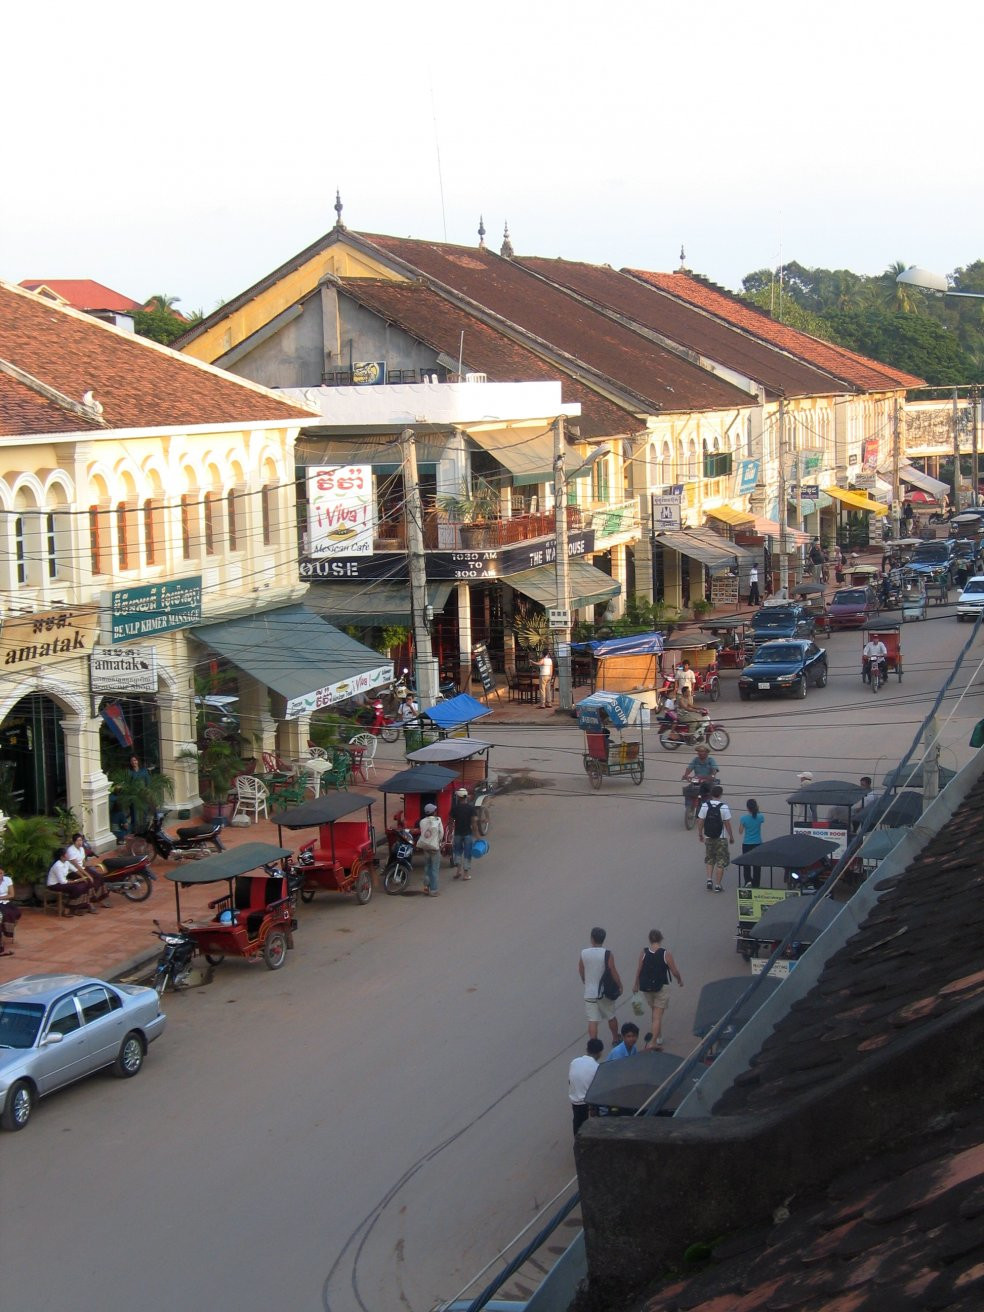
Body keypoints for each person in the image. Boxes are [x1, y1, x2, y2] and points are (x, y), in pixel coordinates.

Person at [633, 929, 683, 1049]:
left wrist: (636, 984)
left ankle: (658, 1036)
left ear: (650, 939)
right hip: (661, 987)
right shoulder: (665, 954)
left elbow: (639, 969)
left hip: (647, 988)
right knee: (657, 1016)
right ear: (661, 939)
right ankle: (653, 1042)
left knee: (654, 1012)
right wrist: (679, 980)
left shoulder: (644, 953)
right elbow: (674, 970)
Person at [579, 926, 622, 1045]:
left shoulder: (584, 953)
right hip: (604, 992)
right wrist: (619, 985)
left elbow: (581, 969)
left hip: (589, 992)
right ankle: (615, 1038)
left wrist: (584, 980)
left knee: (592, 1020)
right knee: (611, 1015)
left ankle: (593, 1043)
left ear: (592, 939)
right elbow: (612, 970)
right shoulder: (607, 954)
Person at [697, 784, 734, 893]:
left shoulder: (705, 805)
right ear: (721, 794)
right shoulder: (724, 807)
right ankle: (718, 885)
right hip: (721, 838)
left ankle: (709, 880)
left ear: (711, 794)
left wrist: (700, 834)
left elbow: (700, 821)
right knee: (721, 862)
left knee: (710, 859)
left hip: (709, 837)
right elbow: (727, 824)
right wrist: (731, 836)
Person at [568, 1037, 605, 1135]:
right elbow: (597, 1089)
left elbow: (570, 1081)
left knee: (577, 1122)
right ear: (600, 1053)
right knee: (589, 1127)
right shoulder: (597, 1067)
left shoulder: (574, 1062)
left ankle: (577, 1142)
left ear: (587, 1050)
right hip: (587, 1103)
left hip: (574, 1100)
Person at [65, 831, 110, 905]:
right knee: (88, 880)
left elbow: (83, 862)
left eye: (81, 840)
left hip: (82, 868)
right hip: (74, 871)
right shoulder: (71, 850)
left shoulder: (82, 849)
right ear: (74, 842)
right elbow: (77, 866)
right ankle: (87, 903)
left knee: (99, 877)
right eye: (78, 841)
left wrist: (89, 868)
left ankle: (99, 897)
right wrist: (88, 875)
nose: (80, 842)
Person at [47, 846, 95, 914]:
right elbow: (63, 882)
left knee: (84, 884)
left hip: (62, 883)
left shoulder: (66, 862)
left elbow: (75, 870)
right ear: (62, 857)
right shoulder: (57, 866)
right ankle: (68, 907)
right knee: (77, 888)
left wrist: (83, 877)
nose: (68, 855)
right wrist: (77, 881)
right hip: (54, 885)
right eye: (66, 854)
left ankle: (82, 906)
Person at [450, 787, 479, 880]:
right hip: (468, 834)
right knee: (467, 853)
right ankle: (466, 874)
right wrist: (477, 835)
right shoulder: (471, 809)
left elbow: (451, 821)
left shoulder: (455, 808)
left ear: (458, 797)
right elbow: (474, 823)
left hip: (457, 834)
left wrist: (451, 832)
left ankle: (458, 871)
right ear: (466, 797)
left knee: (457, 852)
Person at [416, 802, 444, 897]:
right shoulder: (438, 820)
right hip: (434, 848)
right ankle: (434, 890)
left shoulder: (422, 822)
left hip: (425, 847)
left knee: (427, 867)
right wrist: (438, 842)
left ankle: (426, 888)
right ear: (434, 812)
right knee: (434, 869)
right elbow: (441, 834)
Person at [739, 799, 765, 888]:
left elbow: (740, 831)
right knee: (757, 865)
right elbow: (760, 819)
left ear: (747, 808)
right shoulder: (760, 817)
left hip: (747, 843)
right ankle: (756, 883)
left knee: (746, 864)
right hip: (758, 843)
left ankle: (748, 881)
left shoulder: (743, 818)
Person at [0, 865, 22, 948]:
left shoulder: (8, 880)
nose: (0, 875)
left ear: (3, 873)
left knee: (15, 912)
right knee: (2, 915)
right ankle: (2, 936)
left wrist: (1, 897)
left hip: (6, 902)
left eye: (1, 873)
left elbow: (11, 894)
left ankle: (6, 931)